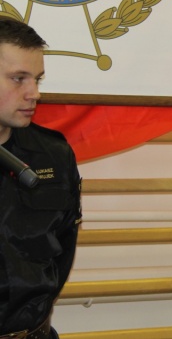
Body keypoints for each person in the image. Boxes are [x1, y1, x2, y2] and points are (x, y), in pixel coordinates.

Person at [0, 18, 82, 339]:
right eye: (18, 79)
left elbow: (63, 245)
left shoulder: (54, 154)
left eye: (37, 79)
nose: (34, 93)